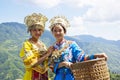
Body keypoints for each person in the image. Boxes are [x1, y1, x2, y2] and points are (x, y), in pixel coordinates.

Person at [48, 16, 108, 80]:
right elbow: (50, 66)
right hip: (58, 78)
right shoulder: (51, 48)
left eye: (60, 30)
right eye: (55, 31)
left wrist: (96, 55)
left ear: (64, 32)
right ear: (52, 33)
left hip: (71, 77)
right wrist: (63, 64)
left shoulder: (71, 45)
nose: (57, 33)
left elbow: (82, 58)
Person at [19, 13, 53, 80]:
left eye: (39, 30)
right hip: (32, 76)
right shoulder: (27, 45)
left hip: (44, 76)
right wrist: (47, 55)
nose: (37, 32)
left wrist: (50, 53)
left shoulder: (42, 44)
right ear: (30, 31)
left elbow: (46, 62)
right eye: (34, 30)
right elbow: (32, 64)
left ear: (42, 31)